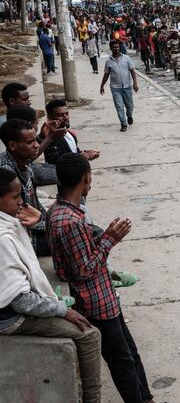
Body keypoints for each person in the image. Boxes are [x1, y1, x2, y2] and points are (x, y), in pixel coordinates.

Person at [48, 153, 153, 403]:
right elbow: (83, 269)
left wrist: (100, 239)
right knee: (122, 361)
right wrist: (109, 239)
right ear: (86, 179)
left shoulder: (68, 213)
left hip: (104, 295)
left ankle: (146, 397)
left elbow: (81, 254)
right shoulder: (69, 221)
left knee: (131, 353)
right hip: (96, 301)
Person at [0, 168, 103, 403]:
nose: (21, 202)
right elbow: (20, 300)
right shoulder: (3, 238)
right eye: (15, 197)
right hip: (8, 318)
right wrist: (61, 310)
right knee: (89, 334)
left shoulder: (9, 225)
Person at [0, 119, 49, 256]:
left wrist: (47, 219)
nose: (36, 145)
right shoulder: (7, 173)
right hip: (25, 238)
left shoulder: (24, 161)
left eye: (35, 140)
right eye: (30, 142)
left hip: (36, 226)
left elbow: (36, 204)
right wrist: (50, 225)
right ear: (12, 145)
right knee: (86, 234)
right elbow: (21, 219)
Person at [42, 99, 100, 165]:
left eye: (67, 114)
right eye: (60, 115)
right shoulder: (48, 138)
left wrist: (87, 154)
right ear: (49, 117)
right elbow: (57, 162)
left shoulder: (69, 134)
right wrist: (82, 156)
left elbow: (73, 152)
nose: (66, 117)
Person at [100, 40, 138, 132]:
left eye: (117, 47)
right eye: (114, 47)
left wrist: (135, 83)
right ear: (111, 48)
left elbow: (132, 70)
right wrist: (102, 86)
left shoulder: (126, 58)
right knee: (119, 106)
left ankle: (129, 115)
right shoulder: (108, 61)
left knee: (130, 106)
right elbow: (106, 74)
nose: (116, 49)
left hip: (127, 87)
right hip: (115, 88)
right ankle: (123, 123)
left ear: (119, 48)